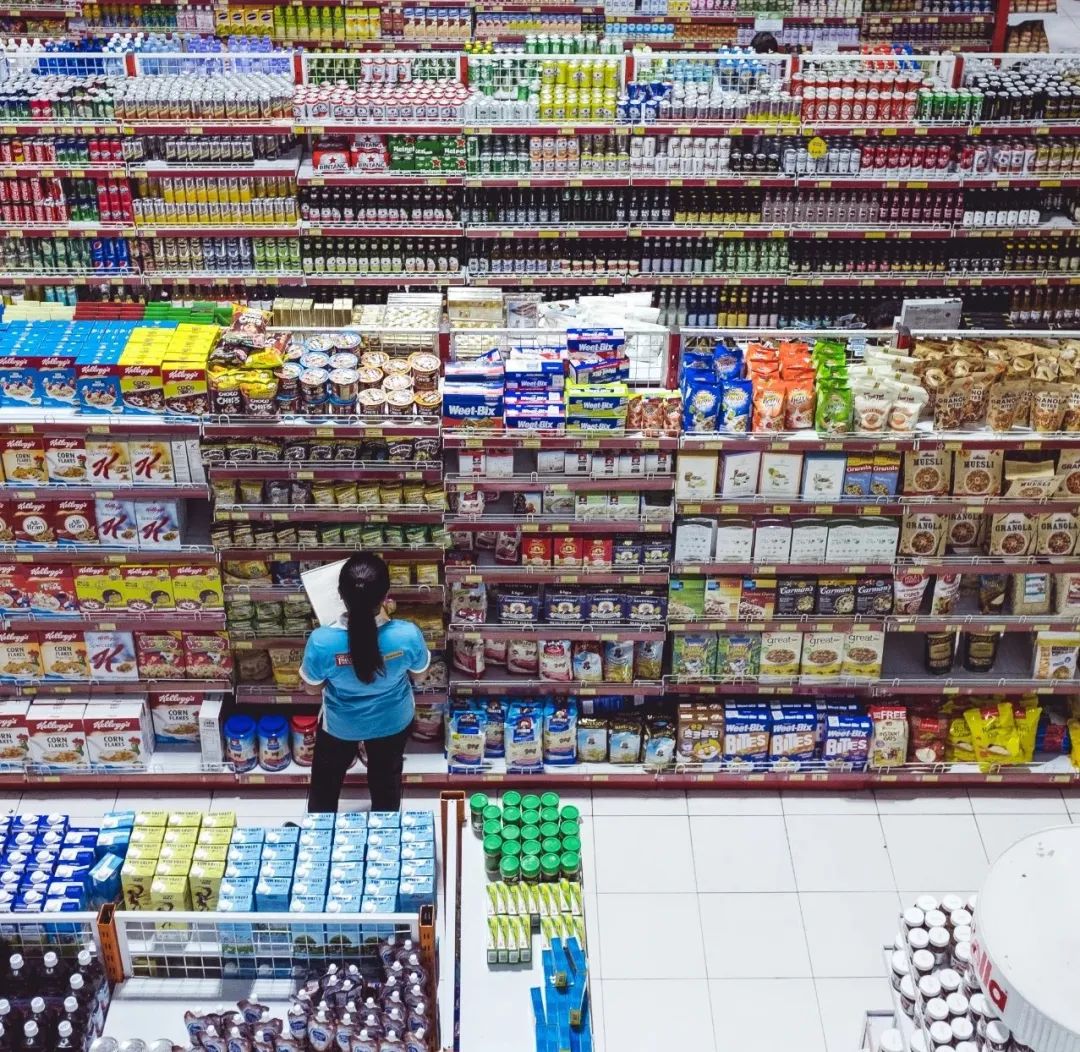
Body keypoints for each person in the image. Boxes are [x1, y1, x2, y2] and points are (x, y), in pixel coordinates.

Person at [299, 552, 430, 813]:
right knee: (386, 780)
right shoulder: (407, 635)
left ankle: (321, 839)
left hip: (340, 725)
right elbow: (420, 675)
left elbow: (312, 688)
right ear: (386, 595)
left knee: (326, 781)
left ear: (339, 594)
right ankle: (385, 833)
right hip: (392, 721)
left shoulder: (322, 641)